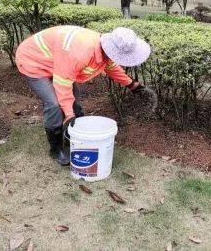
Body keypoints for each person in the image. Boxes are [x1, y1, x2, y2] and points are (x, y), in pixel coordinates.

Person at [15, 26, 153, 166]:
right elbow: (62, 84)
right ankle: (55, 148)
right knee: (54, 104)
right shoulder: (80, 53)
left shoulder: (102, 47)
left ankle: (72, 135)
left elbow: (110, 67)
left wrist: (132, 85)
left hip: (57, 61)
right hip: (34, 61)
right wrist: (69, 115)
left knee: (74, 98)